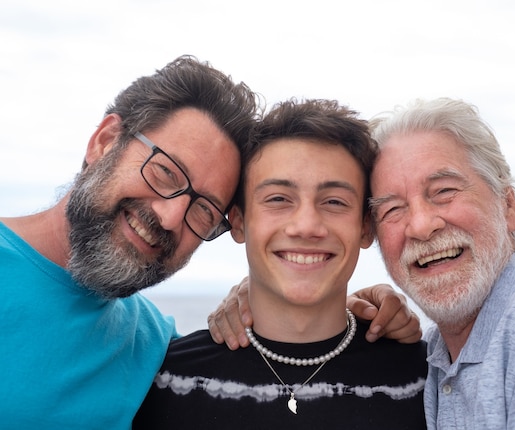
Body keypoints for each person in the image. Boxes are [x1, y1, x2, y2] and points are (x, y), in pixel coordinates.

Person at [211, 97, 515, 428]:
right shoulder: (437, 357)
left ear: (509, 206)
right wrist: (273, 292)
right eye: (392, 209)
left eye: (443, 191)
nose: (422, 226)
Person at [133, 99, 428, 429]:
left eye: (334, 201)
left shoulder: (427, 380)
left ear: (365, 227)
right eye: (278, 199)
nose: (306, 226)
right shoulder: (160, 382)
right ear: (239, 222)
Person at [0, 55, 259, 429]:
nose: (171, 218)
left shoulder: (154, 348)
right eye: (165, 172)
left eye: (203, 210)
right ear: (104, 143)